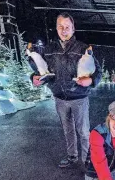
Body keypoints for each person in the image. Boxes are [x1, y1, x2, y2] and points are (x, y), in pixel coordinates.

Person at [30, 12, 102, 168]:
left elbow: (98, 71)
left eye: (67, 27)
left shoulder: (83, 48)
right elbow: (42, 70)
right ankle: (72, 156)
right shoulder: (48, 49)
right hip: (59, 98)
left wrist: (90, 80)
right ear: (56, 28)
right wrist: (35, 78)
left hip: (79, 98)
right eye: (60, 26)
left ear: (73, 28)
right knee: (67, 130)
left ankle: (87, 160)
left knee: (83, 131)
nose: (64, 30)